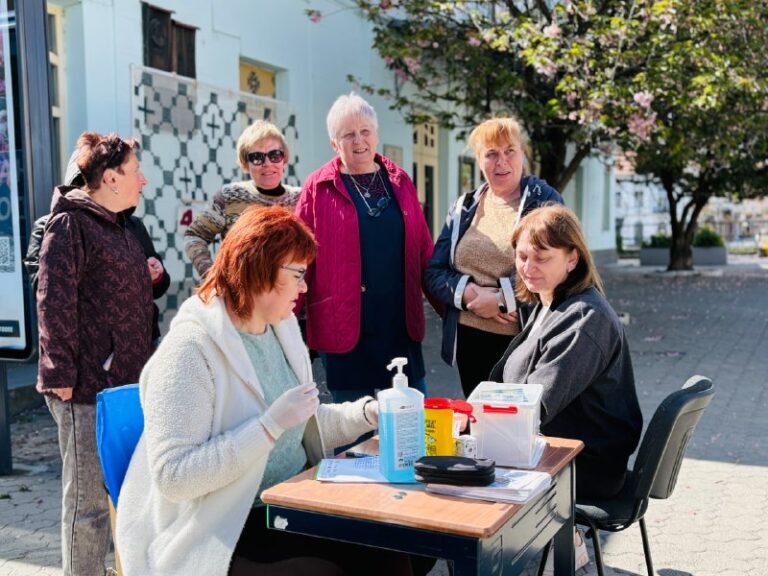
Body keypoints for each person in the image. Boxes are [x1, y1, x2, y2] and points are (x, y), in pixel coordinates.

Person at [117, 206, 413, 576]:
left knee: (397, 549)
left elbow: (302, 421)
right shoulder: (189, 350)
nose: (305, 287)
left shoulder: (280, 328)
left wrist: (369, 413)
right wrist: (268, 427)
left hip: (290, 499)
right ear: (260, 269)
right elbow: (174, 477)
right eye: (298, 274)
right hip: (223, 525)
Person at [36, 131, 154, 576]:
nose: (143, 179)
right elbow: (53, 301)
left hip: (121, 386)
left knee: (124, 495)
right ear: (110, 178)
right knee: (87, 506)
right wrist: (60, 375)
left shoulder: (118, 226)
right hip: (84, 390)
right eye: (135, 171)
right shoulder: (70, 224)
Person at [490, 204, 643, 498]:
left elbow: (537, 403)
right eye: (522, 256)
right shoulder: (547, 302)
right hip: (552, 450)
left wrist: (478, 423)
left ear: (572, 259)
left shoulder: (585, 318)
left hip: (583, 467)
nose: (528, 268)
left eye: (542, 258)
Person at [295, 92, 433, 402]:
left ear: (376, 135)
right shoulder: (317, 187)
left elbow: (423, 249)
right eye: (348, 134)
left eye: (365, 131)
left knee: (411, 417)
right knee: (352, 425)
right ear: (334, 143)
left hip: (399, 323)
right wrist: (282, 324)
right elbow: (297, 259)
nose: (359, 140)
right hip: (343, 326)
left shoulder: (400, 181)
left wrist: (452, 309)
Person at [425, 117, 563, 399]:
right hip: (468, 340)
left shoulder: (544, 201)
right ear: (479, 160)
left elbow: (554, 269)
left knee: (517, 419)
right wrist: (470, 295)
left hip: (520, 342)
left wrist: (501, 299)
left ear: (523, 154)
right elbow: (434, 272)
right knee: (479, 417)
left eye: (510, 150)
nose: (502, 161)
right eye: (491, 154)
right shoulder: (463, 207)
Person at [25, 150, 170, 348]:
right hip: (87, 348)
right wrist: (133, 275)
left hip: (142, 341)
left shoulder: (132, 225)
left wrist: (156, 274)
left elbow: (160, 287)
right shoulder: (50, 227)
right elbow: (46, 290)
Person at [184, 119, 300, 277]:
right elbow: (194, 235)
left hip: (291, 292)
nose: (267, 163)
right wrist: (211, 276)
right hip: (240, 292)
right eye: (257, 157)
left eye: (275, 155)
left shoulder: (301, 198)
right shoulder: (229, 197)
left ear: (284, 158)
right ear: (245, 163)